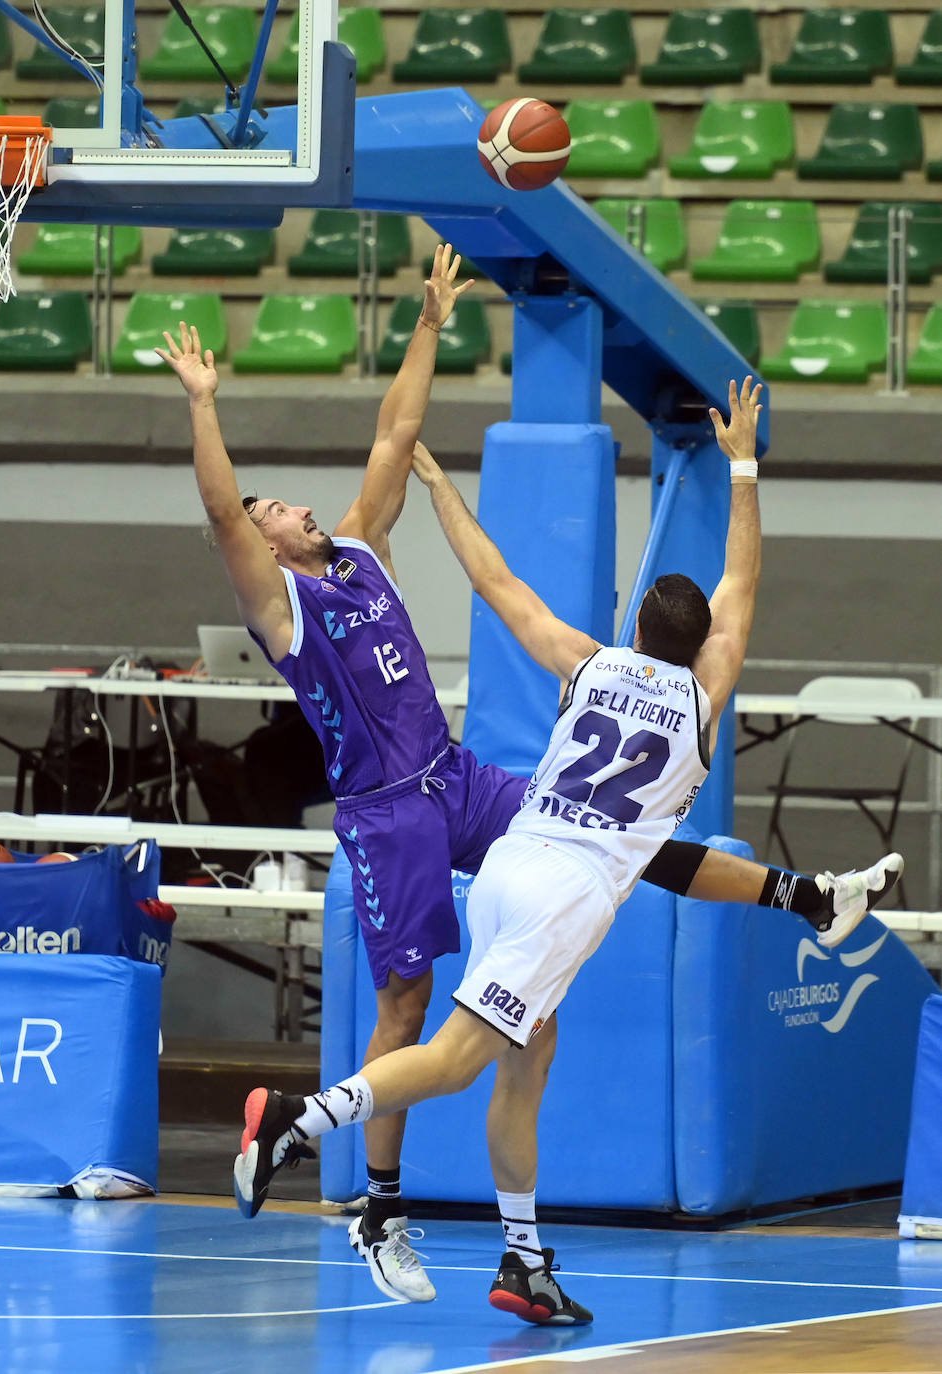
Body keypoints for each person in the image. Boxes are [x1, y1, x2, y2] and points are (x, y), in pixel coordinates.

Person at [158, 272, 902, 1305]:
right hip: (388, 809)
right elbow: (218, 505)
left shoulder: (370, 559)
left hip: (461, 782)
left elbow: (396, 437)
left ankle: (525, 1254)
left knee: (552, 1001)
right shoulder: (278, 602)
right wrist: (203, 405)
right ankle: (377, 1203)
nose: (290, 505)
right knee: (413, 1006)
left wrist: (426, 325)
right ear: (262, 545)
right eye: (270, 508)